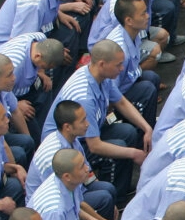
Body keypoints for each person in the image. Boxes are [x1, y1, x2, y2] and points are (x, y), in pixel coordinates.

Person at [42, 40, 152, 204]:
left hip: (84, 134)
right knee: (121, 146)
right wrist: (134, 153)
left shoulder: (102, 77)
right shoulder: (84, 98)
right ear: (102, 64)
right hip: (68, 147)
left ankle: (120, 189)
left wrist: (147, 128)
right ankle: (113, 198)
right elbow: (95, 146)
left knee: (127, 132)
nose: (121, 68)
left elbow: (121, 102)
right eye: (118, 65)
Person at [26, 99, 117, 218]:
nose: (87, 124)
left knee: (108, 189)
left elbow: (88, 173)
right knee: (105, 199)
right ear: (67, 127)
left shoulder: (73, 140)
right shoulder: (54, 157)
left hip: (75, 188)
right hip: (51, 207)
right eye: (82, 121)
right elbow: (68, 198)